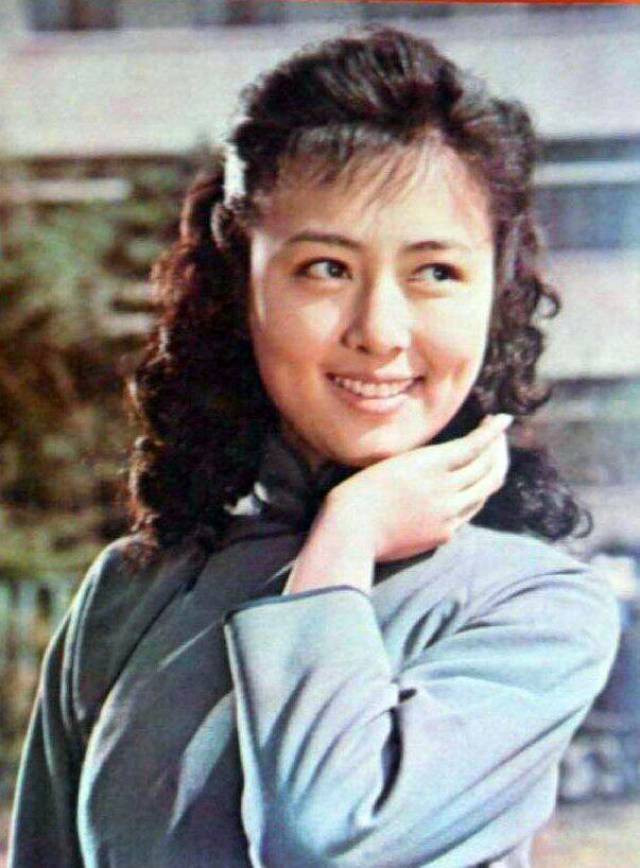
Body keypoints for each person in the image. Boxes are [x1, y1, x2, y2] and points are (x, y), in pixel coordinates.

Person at [10, 27, 619, 868]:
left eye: (435, 273)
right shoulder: (131, 590)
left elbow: (328, 835)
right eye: (326, 268)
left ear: (494, 297)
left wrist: (346, 539)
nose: (380, 331)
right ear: (241, 287)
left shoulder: (537, 607)